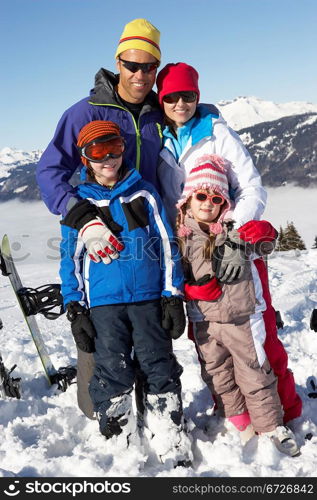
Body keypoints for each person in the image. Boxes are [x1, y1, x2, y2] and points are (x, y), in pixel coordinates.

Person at [156, 62, 302, 424]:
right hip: (189, 247)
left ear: (197, 97)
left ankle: (287, 412)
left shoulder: (217, 132)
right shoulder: (159, 140)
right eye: (171, 97)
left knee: (259, 337)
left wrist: (234, 232)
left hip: (232, 243)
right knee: (209, 340)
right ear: (161, 100)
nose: (180, 104)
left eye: (187, 96)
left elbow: (252, 187)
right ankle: (234, 413)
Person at [36, 18, 164, 419]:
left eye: (149, 67)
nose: (140, 74)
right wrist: (79, 215)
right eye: (132, 64)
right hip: (101, 245)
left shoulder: (159, 112)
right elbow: (49, 171)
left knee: (153, 344)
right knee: (101, 351)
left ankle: (153, 410)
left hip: (150, 249)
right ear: (118, 62)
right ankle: (105, 415)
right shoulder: (85, 112)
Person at [59, 120, 192, 465]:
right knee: (112, 369)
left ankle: (167, 432)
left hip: (148, 298)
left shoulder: (143, 192)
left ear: (123, 150)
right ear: (85, 158)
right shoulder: (80, 206)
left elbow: (166, 244)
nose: (108, 159)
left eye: (114, 149)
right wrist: (75, 308)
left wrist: (171, 293)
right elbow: (70, 259)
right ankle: (120, 438)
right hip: (104, 306)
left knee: (157, 364)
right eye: (98, 152)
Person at [175, 154, 299, 456]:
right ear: (188, 201)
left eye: (215, 197)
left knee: (254, 372)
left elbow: (267, 236)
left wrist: (247, 236)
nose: (207, 203)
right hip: (203, 321)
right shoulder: (179, 237)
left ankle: (270, 425)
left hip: (242, 317)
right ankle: (240, 421)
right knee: (218, 374)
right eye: (201, 196)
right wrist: (192, 289)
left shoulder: (236, 231)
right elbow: (173, 278)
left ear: (225, 203)